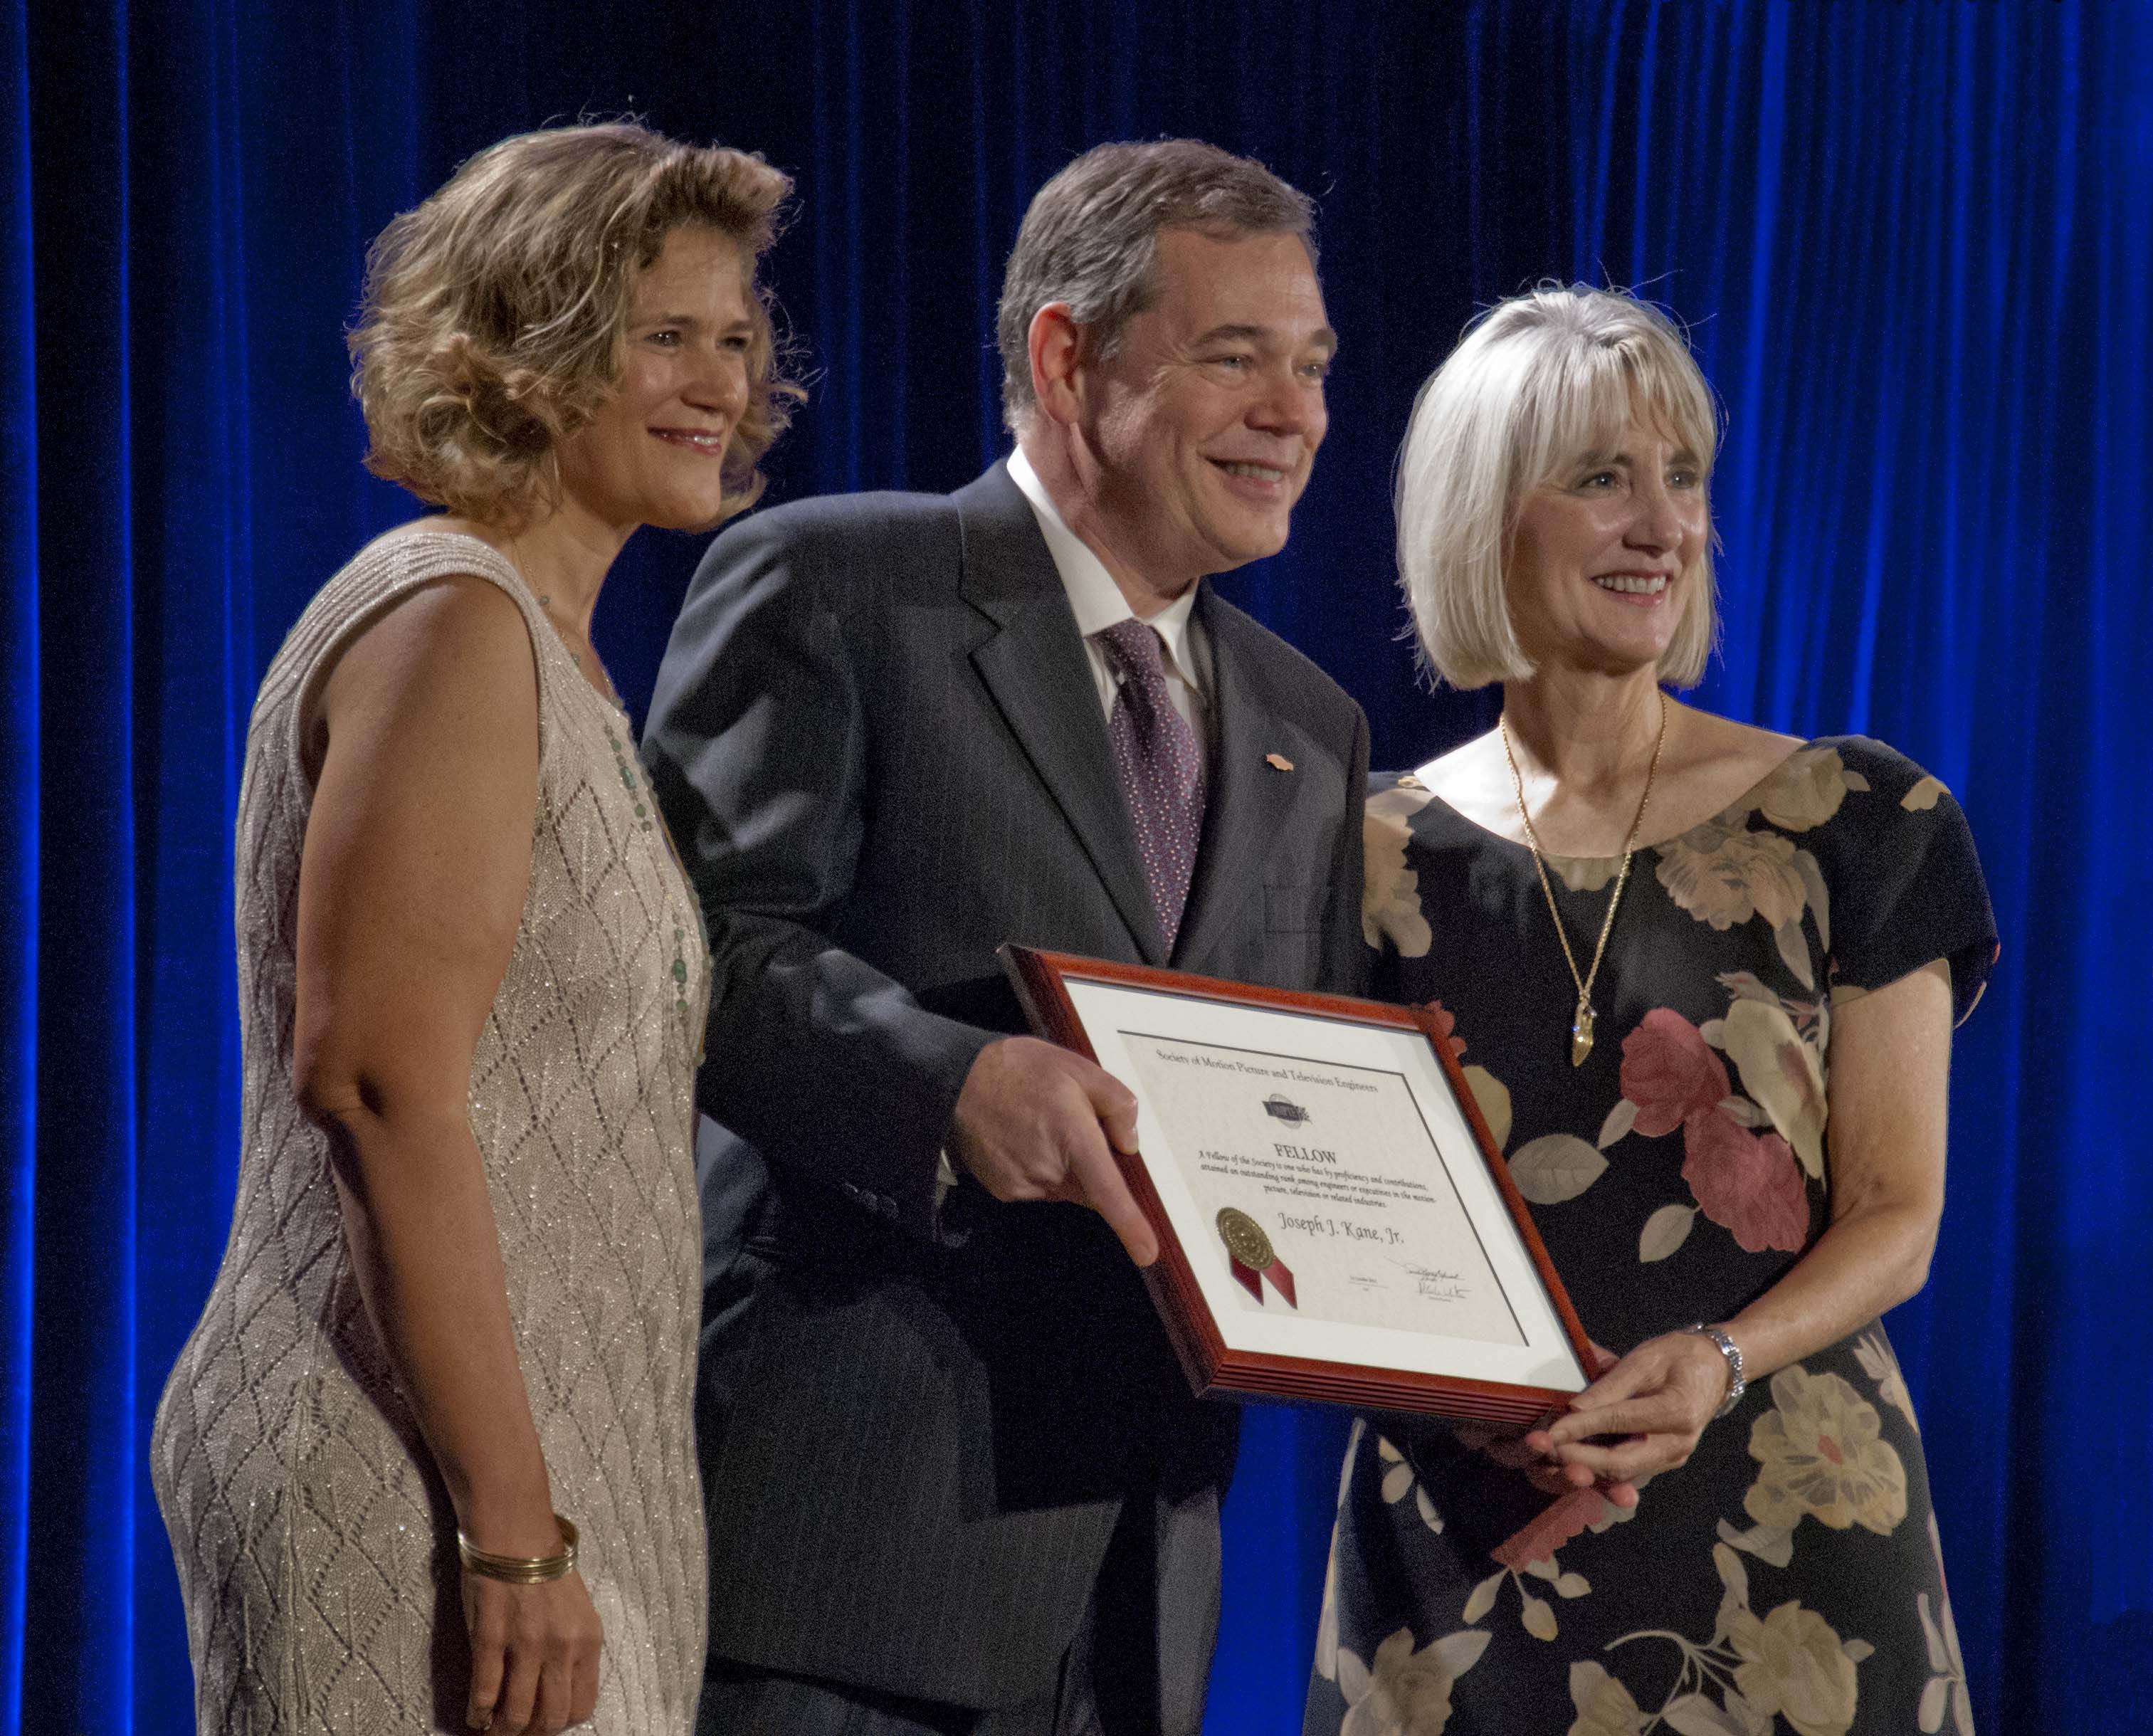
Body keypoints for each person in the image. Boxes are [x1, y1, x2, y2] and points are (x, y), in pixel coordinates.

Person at [642, 139, 1367, 1736]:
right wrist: (947, 1086)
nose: (1295, 414)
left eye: (1310, 365)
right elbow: (697, 953)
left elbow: (1300, 1099)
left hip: (1139, 1589)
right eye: (1233, 356)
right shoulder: (836, 580)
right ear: (1064, 353)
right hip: (846, 1551)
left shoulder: (1312, 729)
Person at [149, 122, 797, 1736]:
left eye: (734, 336)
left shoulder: (551, 653)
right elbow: (373, 1079)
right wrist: (513, 1529)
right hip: (412, 1476)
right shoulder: (451, 615)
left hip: (534, 1479)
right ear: (530, 346)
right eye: (663, 336)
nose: (719, 381)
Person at [1307, 286, 1997, 1736]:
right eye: (1602, 476)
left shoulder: (1856, 815)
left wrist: (1720, 1357)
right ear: (1482, 515)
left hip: (1792, 1532)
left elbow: (1897, 1210)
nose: (1663, 524)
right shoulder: (1354, 852)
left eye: (1680, 476)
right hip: (1463, 1546)